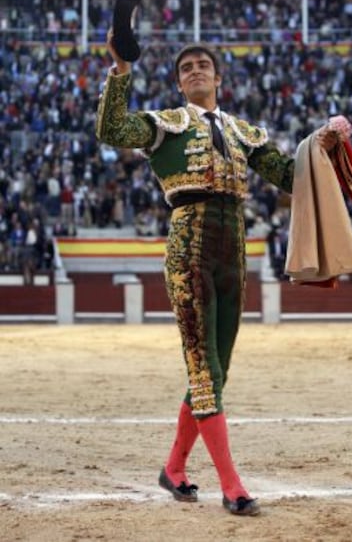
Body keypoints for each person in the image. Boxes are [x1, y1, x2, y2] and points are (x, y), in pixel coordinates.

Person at [95, 35, 337, 516]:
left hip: (234, 248)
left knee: (216, 370)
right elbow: (113, 129)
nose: (196, 70)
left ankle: (174, 469)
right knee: (204, 369)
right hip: (189, 245)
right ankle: (232, 486)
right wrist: (121, 68)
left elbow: (292, 177)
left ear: (218, 77)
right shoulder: (166, 124)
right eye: (187, 67)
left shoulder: (245, 132)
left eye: (204, 64)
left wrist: (321, 143)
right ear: (180, 81)